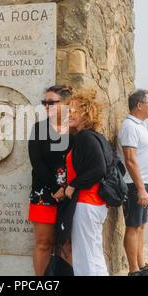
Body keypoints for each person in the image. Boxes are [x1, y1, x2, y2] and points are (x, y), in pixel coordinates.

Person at [59, 87, 109, 276]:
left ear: (87, 113)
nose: (70, 114)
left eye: (76, 110)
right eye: (69, 110)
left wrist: (73, 185)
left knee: (83, 258)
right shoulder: (94, 137)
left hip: (86, 203)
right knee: (94, 256)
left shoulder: (85, 137)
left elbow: (99, 169)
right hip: (95, 204)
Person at [28, 85, 73, 276]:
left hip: (71, 193)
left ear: (65, 104)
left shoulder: (75, 129)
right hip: (44, 193)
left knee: (68, 244)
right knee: (44, 243)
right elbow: (37, 163)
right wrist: (56, 188)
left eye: (51, 102)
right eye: (44, 102)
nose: (46, 106)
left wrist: (67, 188)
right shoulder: (38, 128)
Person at [117, 89, 148, 276]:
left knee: (141, 226)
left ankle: (142, 266)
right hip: (133, 184)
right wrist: (141, 188)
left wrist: (147, 184)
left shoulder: (140, 125)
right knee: (133, 226)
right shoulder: (130, 127)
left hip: (141, 184)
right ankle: (133, 270)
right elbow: (130, 159)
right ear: (139, 105)